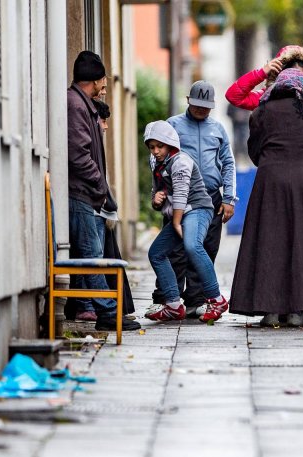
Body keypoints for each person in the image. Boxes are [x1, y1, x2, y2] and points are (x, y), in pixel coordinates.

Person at [229, 68, 303, 327]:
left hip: (271, 181)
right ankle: (299, 311)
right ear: (302, 86)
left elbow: (254, 151)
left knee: (270, 241)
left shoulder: (261, 111)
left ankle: (269, 310)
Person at [147, 81, 237, 318]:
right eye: (197, 105)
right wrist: (157, 193)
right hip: (178, 197)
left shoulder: (218, 129)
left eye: (206, 106)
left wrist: (229, 198)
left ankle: (198, 300)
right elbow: (156, 160)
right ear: (188, 100)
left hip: (210, 197)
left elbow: (228, 163)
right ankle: (168, 299)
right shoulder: (172, 125)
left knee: (205, 247)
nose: (201, 110)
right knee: (175, 251)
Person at [67, 50, 140, 331]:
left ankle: (106, 310)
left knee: (91, 253)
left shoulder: (83, 103)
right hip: (81, 193)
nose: (104, 86)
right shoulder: (76, 104)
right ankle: (108, 313)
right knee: (91, 255)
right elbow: (78, 155)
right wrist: (100, 184)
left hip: (86, 193)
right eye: (103, 81)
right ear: (96, 80)